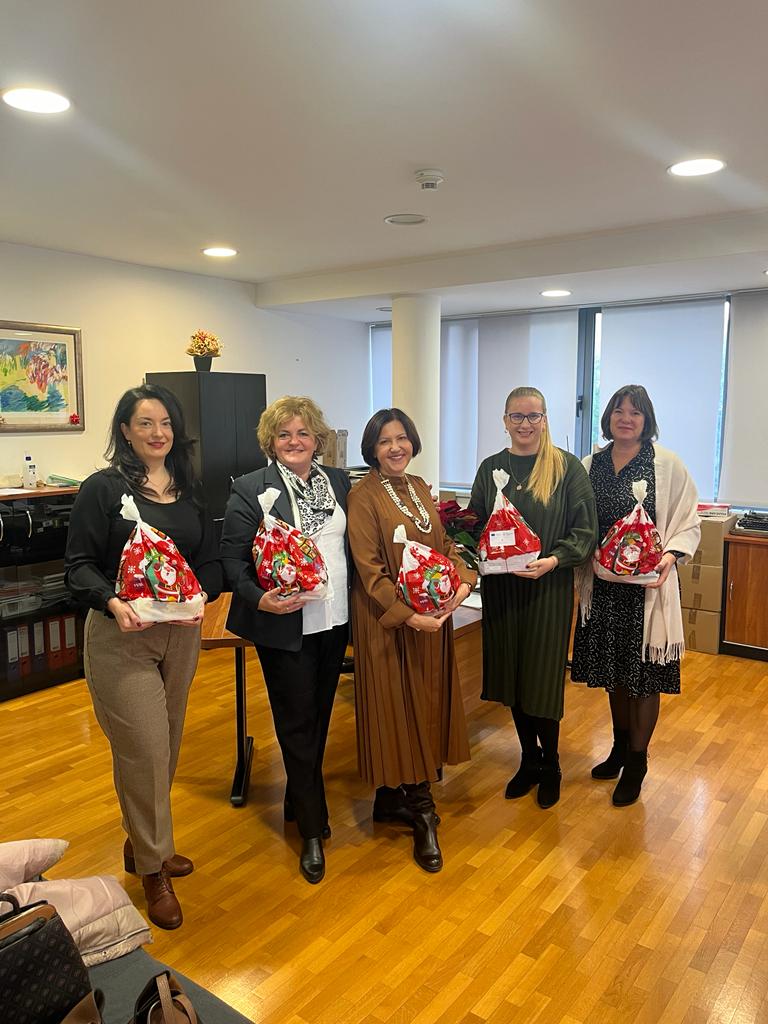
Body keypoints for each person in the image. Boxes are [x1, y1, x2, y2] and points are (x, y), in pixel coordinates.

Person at [65, 383, 222, 930]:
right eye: (145, 423)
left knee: (168, 743)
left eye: (166, 423)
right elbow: (78, 566)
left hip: (180, 636)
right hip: (121, 637)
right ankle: (154, 868)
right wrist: (113, 602)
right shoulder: (103, 490)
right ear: (125, 432)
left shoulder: (190, 490)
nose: (158, 433)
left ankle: (142, 842)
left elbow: (210, 561)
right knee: (146, 750)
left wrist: (202, 594)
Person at [220, 396, 351, 885]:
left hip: (335, 619)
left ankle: (300, 795)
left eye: (303, 433)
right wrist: (261, 600)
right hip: (285, 623)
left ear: (318, 439)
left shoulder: (338, 482)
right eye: (284, 434)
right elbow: (232, 559)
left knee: (319, 716)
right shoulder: (251, 488)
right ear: (270, 442)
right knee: (296, 723)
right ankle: (312, 829)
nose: (294, 442)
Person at [347, 408, 476, 873]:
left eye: (402, 438)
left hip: (431, 616)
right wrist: (409, 616)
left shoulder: (419, 487)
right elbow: (370, 573)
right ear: (372, 449)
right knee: (397, 706)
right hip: (388, 620)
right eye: (385, 441)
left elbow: (444, 547)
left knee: (424, 700)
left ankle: (391, 799)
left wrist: (461, 582)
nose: (395, 447)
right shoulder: (362, 496)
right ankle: (421, 810)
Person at [468, 386, 597, 809]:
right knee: (513, 677)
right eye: (517, 416)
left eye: (533, 416)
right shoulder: (491, 468)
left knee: (541, 679)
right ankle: (529, 759)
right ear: (504, 420)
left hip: (548, 589)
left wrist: (554, 560)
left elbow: (585, 531)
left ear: (545, 419)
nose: (525, 424)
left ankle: (552, 764)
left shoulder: (565, 468)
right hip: (503, 590)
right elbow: (474, 525)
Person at [571, 385, 700, 805]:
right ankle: (620, 748)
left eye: (635, 413)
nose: (626, 419)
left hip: (648, 590)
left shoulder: (666, 464)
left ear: (647, 421)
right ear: (608, 417)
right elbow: (579, 520)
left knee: (643, 677)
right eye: (619, 411)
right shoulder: (590, 464)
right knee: (615, 674)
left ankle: (638, 762)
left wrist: (670, 556)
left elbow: (688, 520)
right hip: (606, 588)